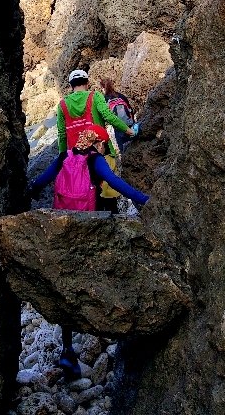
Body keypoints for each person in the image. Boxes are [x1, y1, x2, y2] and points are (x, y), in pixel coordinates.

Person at [28, 125, 149, 378]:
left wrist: (28, 191)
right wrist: (144, 199)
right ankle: (114, 331)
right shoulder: (96, 160)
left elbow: (42, 180)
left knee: (66, 288)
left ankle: (68, 350)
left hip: (61, 229)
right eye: (103, 144)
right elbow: (116, 182)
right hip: (86, 229)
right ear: (98, 143)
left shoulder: (65, 156)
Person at [100, 77, 135, 153]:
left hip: (118, 127)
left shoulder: (104, 99)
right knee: (134, 147)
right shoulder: (121, 96)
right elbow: (130, 110)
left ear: (103, 88)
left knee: (123, 151)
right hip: (129, 124)